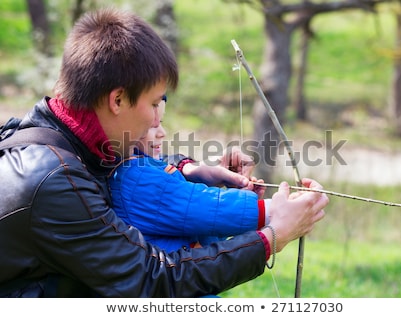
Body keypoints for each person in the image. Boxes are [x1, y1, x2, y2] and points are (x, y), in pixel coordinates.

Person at [0, 8, 328, 297]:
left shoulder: (71, 141)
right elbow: (154, 280)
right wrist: (273, 236)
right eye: (155, 103)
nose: (158, 118)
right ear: (117, 100)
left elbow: (132, 169)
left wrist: (195, 171)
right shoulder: (52, 181)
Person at [108, 96, 268, 252]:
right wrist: (267, 210)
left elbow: (201, 230)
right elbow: (203, 208)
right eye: (151, 125)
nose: (161, 133)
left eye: (161, 123)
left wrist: (239, 197)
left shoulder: (147, 170)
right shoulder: (137, 178)